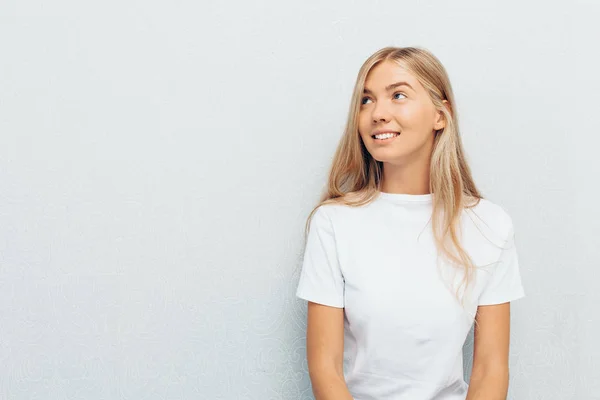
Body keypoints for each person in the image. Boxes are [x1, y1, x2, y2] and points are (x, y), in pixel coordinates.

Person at [295, 46, 526, 400]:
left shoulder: (488, 224)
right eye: (366, 100)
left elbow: (491, 368)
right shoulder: (334, 223)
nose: (377, 114)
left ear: (440, 115)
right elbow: (324, 367)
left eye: (398, 95)